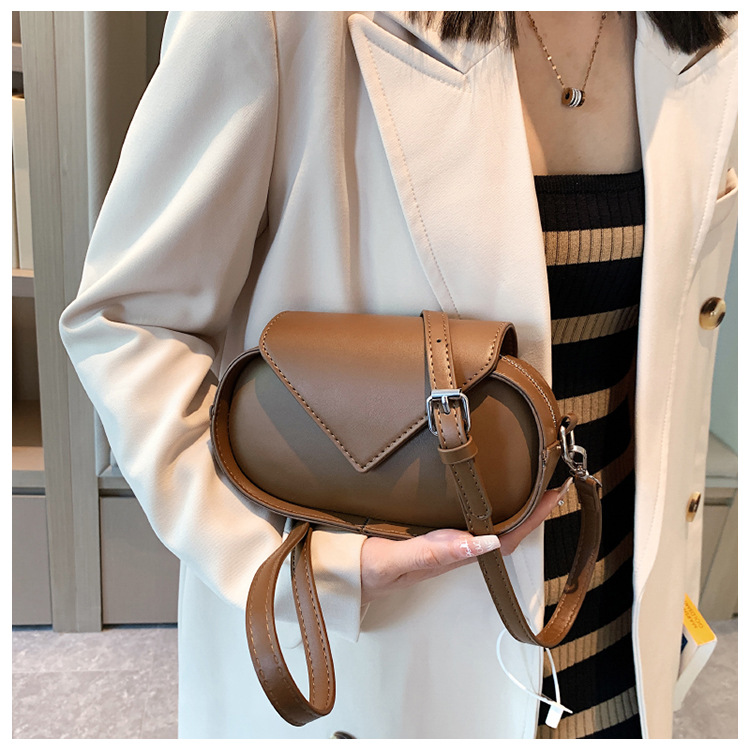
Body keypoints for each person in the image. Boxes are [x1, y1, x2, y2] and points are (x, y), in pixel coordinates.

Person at [59, 11, 738, 739]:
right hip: (382, 657)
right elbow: (130, 321)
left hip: (618, 642)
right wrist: (317, 565)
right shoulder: (281, 21)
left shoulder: (710, 27)